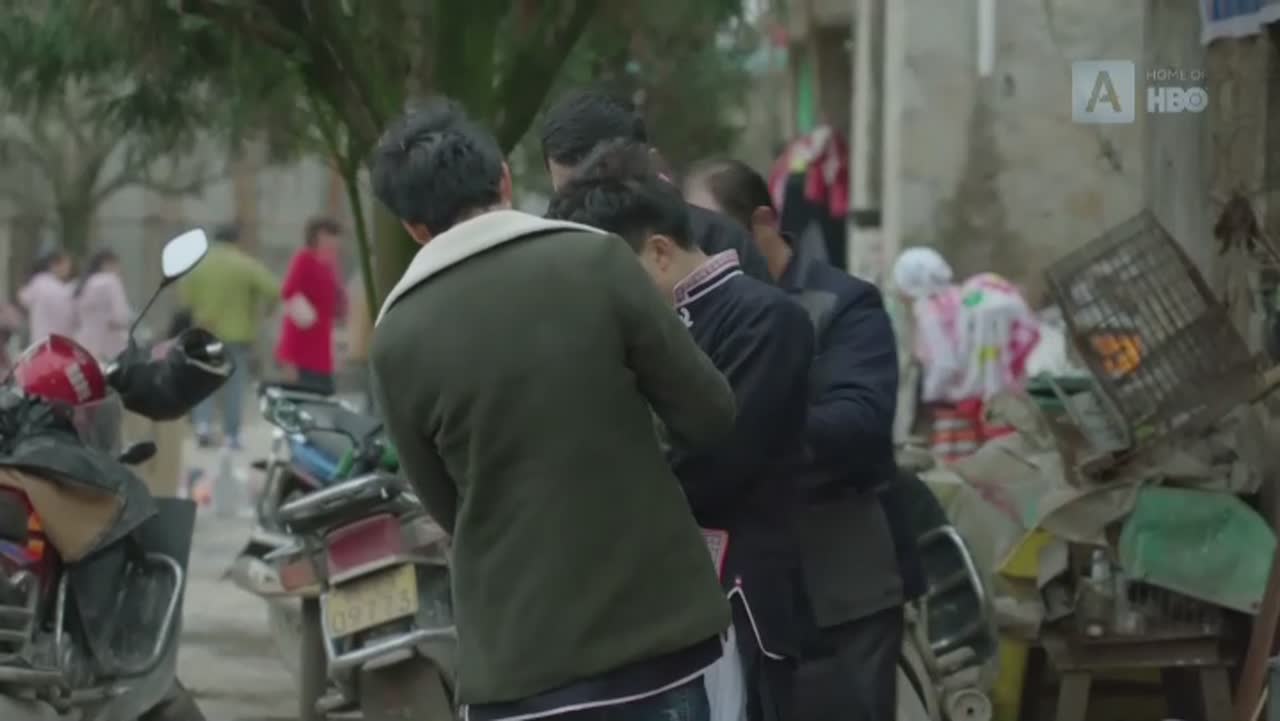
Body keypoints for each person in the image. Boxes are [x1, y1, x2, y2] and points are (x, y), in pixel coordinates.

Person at [368, 99, 735, 721]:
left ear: (412, 227)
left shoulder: (396, 336)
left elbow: (447, 505)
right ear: (504, 178)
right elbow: (709, 414)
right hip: (653, 637)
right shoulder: (597, 260)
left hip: (518, 665)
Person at [547, 140, 814, 721]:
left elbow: (714, 466)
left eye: (607, 278)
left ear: (660, 252)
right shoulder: (631, 330)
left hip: (734, 596)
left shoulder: (767, 321)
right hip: (645, 610)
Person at [685, 158, 916, 721]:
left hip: (844, 577)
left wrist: (751, 432)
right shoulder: (699, 312)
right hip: (745, 583)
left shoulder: (844, 303)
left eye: (716, 231)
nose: (705, 248)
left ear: (763, 223)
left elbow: (860, 419)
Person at [539, 88, 773, 283]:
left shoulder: (720, 242)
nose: (580, 211)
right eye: (566, 197)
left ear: (642, 164)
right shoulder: (550, 260)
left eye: (595, 191)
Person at [891, 247, 1041, 460]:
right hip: (990, 396)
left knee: (958, 466)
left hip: (957, 406)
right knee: (995, 457)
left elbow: (945, 364)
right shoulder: (961, 296)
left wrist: (930, 395)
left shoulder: (930, 309)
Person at [179, 223, 280, 449]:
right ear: (236, 241)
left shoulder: (199, 266)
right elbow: (274, 290)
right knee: (234, 385)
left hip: (205, 332)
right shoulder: (245, 264)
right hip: (238, 334)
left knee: (203, 381)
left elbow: (185, 300)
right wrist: (266, 312)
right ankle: (231, 434)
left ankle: (203, 426)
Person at [276, 217, 346, 395]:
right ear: (315, 238)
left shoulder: (331, 264)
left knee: (326, 396)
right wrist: (288, 359)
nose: (332, 242)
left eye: (334, 237)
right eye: (327, 237)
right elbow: (289, 292)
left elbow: (337, 303)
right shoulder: (304, 259)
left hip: (324, 350)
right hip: (302, 351)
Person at [73, 249, 132, 361]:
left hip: (83, 346)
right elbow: (121, 317)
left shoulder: (84, 283)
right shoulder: (111, 281)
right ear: (107, 264)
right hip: (108, 347)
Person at [18, 248, 75, 343]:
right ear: (54, 265)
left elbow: (23, 298)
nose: (68, 269)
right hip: (61, 341)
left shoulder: (37, 283)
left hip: (39, 340)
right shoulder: (64, 289)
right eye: (66, 265)